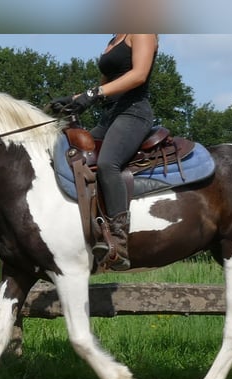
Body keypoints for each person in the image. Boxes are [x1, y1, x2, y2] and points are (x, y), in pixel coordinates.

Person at [53, 33, 158, 271]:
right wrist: (74, 99)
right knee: (73, 156)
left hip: (133, 113)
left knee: (107, 163)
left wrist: (93, 95)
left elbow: (139, 74)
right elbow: (105, 84)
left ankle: (119, 242)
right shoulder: (115, 38)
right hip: (109, 116)